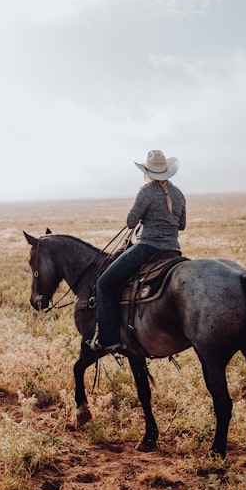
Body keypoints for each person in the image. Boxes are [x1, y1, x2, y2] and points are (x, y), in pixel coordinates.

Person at [89, 150, 187, 352]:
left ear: (147, 171)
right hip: (174, 251)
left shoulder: (146, 192)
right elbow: (182, 225)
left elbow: (130, 222)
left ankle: (108, 339)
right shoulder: (178, 194)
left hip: (147, 248)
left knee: (105, 283)